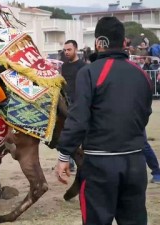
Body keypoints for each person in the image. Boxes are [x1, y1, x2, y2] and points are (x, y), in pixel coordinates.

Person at [56, 17, 151, 225]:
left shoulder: (89, 72)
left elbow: (78, 118)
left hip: (100, 163)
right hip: (135, 162)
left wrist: (64, 155)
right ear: (124, 42)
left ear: (100, 42)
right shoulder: (142, 74)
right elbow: (144, 114)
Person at [61, 40, 86, 172]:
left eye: (69, 49)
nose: (66, 52)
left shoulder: (83, 66)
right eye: (65, 50)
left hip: (80, 104)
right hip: (66, 104)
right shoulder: (64, 66)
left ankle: (82, 162)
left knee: (80, 135)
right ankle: (69, 162)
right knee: (67, 132)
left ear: (76, 49)